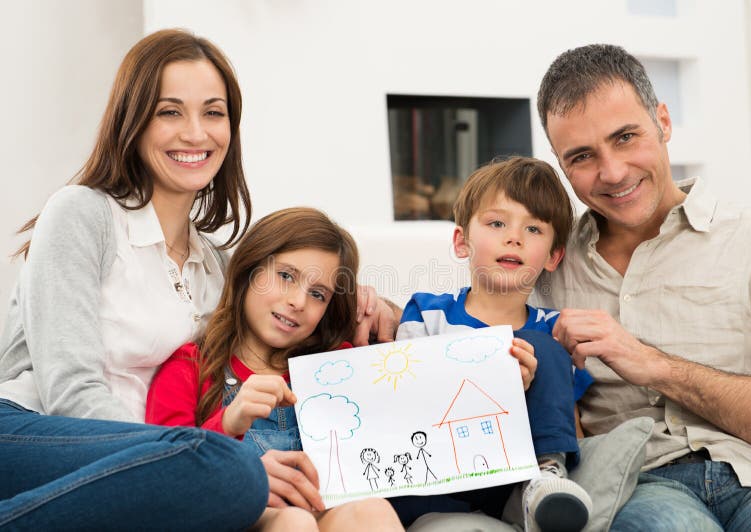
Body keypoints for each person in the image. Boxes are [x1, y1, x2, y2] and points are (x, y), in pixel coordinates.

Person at [0, 28, 394, 529]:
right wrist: (192, 459)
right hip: (34, 432)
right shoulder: (82, 213)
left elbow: (295, 309)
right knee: (236, 471)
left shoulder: (218, 265)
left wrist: (372, 304)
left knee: (264, 493)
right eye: (170, 112)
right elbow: (69, 392)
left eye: (213, 112)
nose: (195, 133)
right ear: (134, 121)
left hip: (159, 460)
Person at [533, 43, 751, 530]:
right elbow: (468, 317)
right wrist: (379, 310)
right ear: (560, 163)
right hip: (638, 486)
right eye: (582, 156)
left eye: (626, 137)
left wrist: (654, 365)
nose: (612, 173)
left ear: (664, 122)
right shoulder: (545, 262)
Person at [146, 207, 403, 531]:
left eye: (317, 294)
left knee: (372, 512)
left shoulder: (339, 364)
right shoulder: (191, 367)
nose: (298, 301)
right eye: (286, 276)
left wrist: (387, 315)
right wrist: (227, 423)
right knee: (293, 522)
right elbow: (161, 471)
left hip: (322, 510)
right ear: (248, 269)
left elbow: (412, 388)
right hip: (231, 514)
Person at [395, 157, 593, 532]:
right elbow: (404, 401)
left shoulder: (555, 331)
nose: (513, 237)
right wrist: (494, 389)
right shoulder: (427, 312)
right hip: (432, 472)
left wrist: (528, 403)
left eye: (533, 229)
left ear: (553, 256)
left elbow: (574, 428)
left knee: (540, 344)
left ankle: (547, 479)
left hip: (513, 484)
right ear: (461, 241)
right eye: (497, 223)